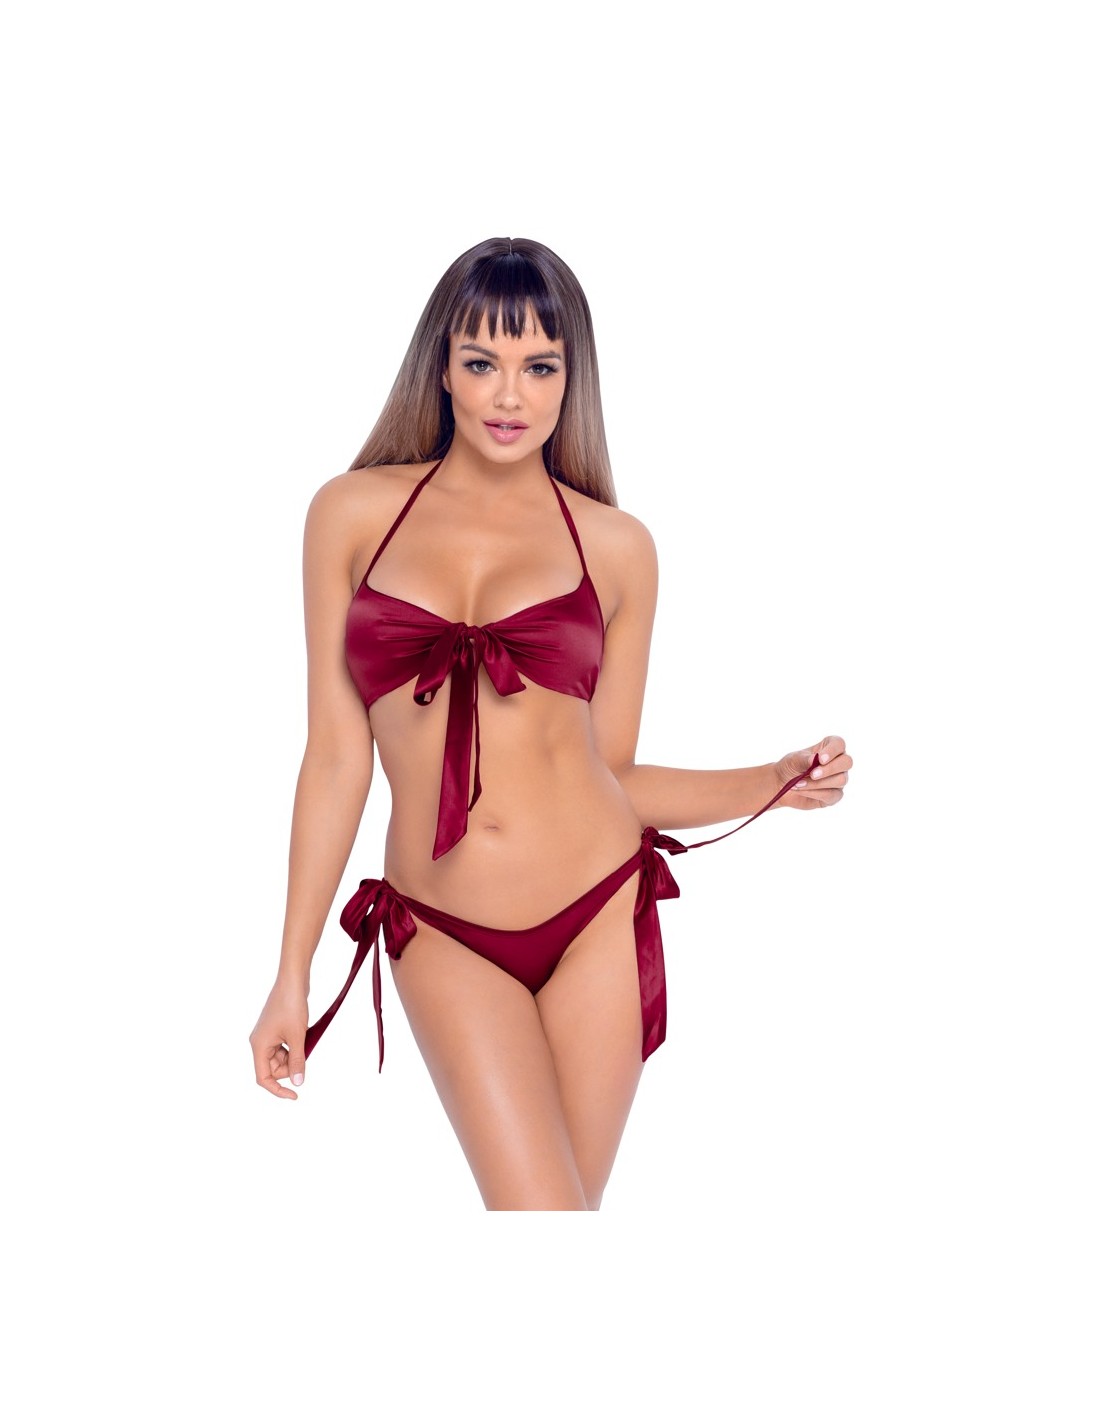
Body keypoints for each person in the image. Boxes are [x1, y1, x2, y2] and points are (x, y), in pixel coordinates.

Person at [248, 236, 852, 1211]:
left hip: (597, 913)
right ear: (441, 366)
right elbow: (333, 759)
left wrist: (769, 781)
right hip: (443, 928)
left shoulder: (616, 547)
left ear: (572, 379)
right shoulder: (349, 516)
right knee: (541, 1215)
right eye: (481, 362)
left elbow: (611, 774)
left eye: (538, 367)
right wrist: (291, 973)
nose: (508, 395)